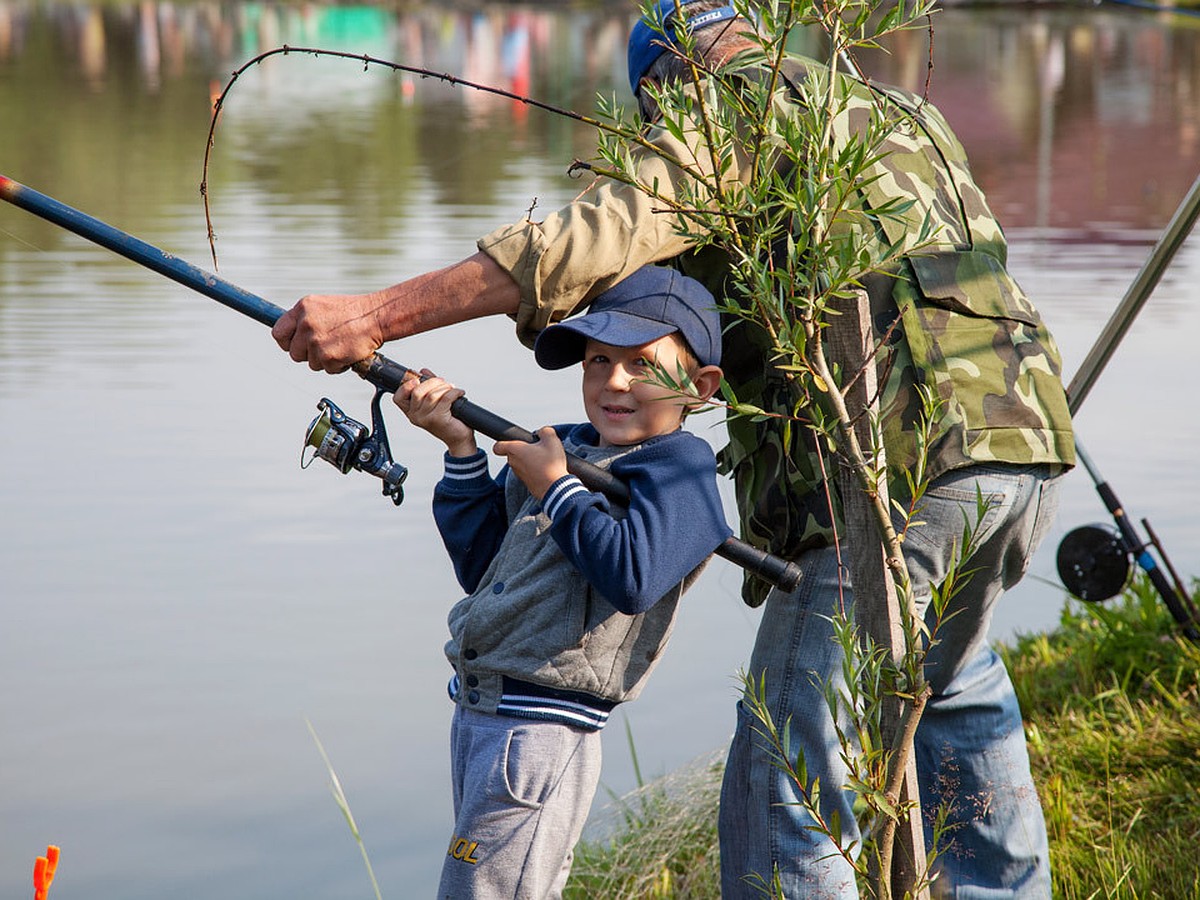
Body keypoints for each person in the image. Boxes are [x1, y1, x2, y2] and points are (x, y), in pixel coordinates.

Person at [272, 3, 1075, 896]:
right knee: (953, 689)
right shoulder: (896, 111)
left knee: (791, 782)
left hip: (897, 478)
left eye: (651, 127)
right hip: (1021, 443)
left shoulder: (734, 113)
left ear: (665, 93)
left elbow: (589, 236)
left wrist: (374, 318)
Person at [392, 264, 731, 899]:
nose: (614, 381)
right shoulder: (564, 446)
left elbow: (633, 576)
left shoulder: (681, 469)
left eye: (641, 364)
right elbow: (486, 570)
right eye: (598, 360)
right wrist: (462, 451)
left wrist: (558, 487)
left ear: (701, 384)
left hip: (541, 733)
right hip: (482, 710)